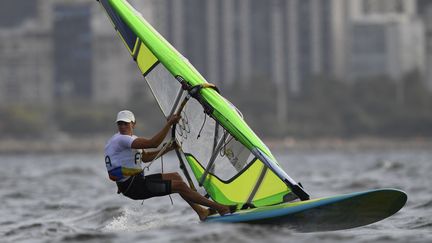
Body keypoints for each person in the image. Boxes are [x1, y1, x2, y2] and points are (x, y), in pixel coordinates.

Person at [104, 110, 234, 220]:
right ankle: (221, 208)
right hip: (133, 187)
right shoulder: (121, 139)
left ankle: (201, 212)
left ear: (133, 124)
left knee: (176, 176)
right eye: (120, 123)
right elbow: (153, 143)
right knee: (180, 186)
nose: (122, 126)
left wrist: (168, 148)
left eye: (125, 123)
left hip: (136, 182)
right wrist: (169, 123)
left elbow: (146, 158)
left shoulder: (130, 140)